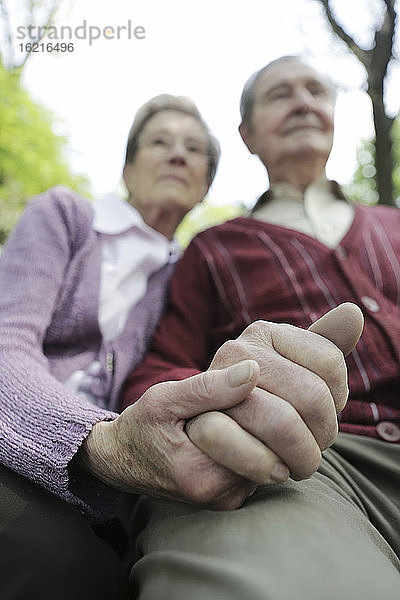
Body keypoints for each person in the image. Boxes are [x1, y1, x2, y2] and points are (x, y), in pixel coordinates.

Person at [122, 56, 400, 599]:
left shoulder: (394, 225)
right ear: (248, 135)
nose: (303, 101)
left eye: (316, 91)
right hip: (304, 467)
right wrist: (221, 398)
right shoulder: (214, 247)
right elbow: (155, 373)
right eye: (280, 94)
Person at [0, 93, 220, 599]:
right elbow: (8, 343)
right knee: (67, 570)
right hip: (20, 447)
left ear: (205, 184)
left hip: (109, 492)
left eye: (194, 149)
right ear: (128, 167)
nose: (177, 154)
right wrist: (94, 441)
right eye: (159, 142)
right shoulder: (66, 216)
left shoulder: (189, 273)